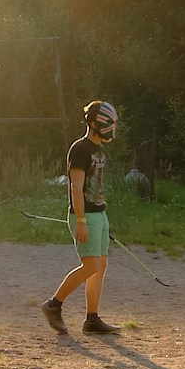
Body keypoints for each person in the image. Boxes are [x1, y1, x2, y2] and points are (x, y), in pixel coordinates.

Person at [43, 101, 120, 335]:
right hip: (85, 215)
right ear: (95, 124)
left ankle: (92, 320)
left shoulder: (99, 150)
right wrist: (81, 221)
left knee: (100, 265)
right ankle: (53, 305)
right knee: (91, 265)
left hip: (99, 214)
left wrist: (101, 218)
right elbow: (76, 188)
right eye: (108, 123)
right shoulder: (80, 149)